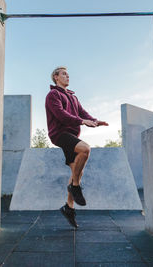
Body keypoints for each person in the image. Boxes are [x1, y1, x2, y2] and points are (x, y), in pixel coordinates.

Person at [45, 66, 109, 228]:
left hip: (72, 136)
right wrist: (81, 122)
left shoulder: (73, 96)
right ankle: (74, 187)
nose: (67, 76)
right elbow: (61, 115)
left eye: (68, 74)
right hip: (59, 133)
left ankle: (69, 207)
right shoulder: (53, 95)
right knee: (85, 149)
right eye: (64, 74)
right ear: (56, 77)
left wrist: (94, 121)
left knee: (77, 172)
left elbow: (82, 112)